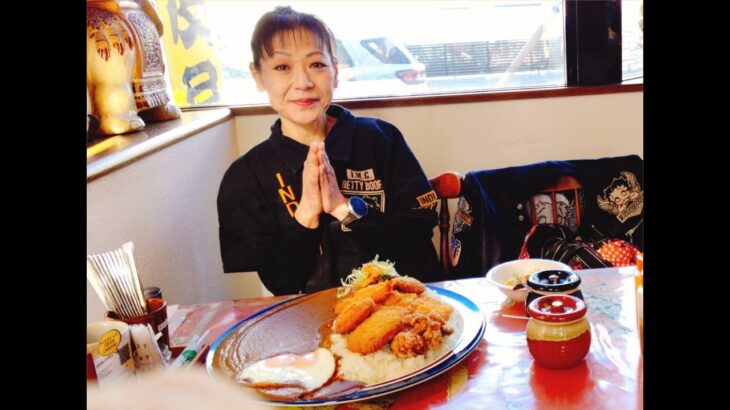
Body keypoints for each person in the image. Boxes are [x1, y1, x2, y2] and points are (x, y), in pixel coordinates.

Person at [217, 6, 441, 295]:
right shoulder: (245, 177)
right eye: (282, 67)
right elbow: (281, 284)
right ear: (258, 76)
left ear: (335, 71)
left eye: (317, 65)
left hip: (403, 307)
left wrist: (344, 209)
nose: (303, 83)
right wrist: (306, 215)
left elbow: (417, 241)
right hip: (308, 324)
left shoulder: (381, 140)